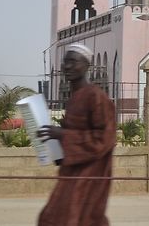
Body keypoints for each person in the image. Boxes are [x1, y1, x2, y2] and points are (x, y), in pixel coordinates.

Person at [37, 43, 116, 226]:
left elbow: (104, 138)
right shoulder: (75, 97)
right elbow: (75, 133)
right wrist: (58, 151)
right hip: (72, 170)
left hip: (90, 173)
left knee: (75, 217)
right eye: (66, 62)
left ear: (87, 65)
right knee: (51, 217)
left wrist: (63, 135)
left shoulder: (96, 96)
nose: (68, 66)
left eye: (74, 62)